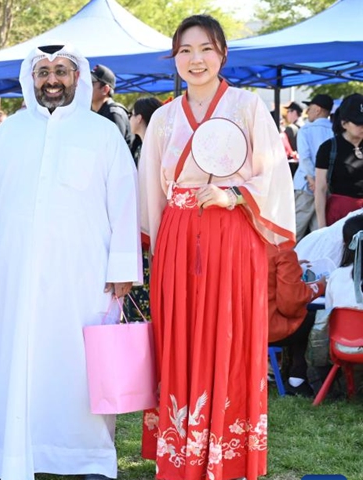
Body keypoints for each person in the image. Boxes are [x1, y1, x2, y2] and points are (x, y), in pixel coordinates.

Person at [138, 15, 295, 480]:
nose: (196, 59)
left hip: (233, 234)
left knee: (229, 333)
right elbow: (150, 190)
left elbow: (274, 175)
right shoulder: (165, 117)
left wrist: (235, 195)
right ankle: (182, 452)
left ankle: (227, 455)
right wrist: (150, 245)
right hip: (180, 236)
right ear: (175, 60)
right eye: (185, 51)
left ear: (222, 53)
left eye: (205, 49)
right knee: (180, 337)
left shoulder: (247, 106)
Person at [0, 43, 140, 480]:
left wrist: (123, 268)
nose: (52, 79)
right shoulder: (6, 135)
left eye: (61, 70)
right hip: (12, 274)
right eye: (44, 70)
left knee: (80, 366)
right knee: (16, 362)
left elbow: (125, 203)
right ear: (31, 79)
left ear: (77, 77)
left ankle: (86, 459)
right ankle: (16, 455)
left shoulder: (102, 133)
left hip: (84, 276)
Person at [267, 243, 326, 397]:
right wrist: (320, 286)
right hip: (270, 330)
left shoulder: (236, 246)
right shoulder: (282, 251)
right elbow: (291, 303)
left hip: (237, 329)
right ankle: (297, 380)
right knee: (308, 318)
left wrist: (293, 269)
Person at [127, 96, 163, 320]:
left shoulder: (151, 148)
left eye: (131, 115)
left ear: (139, 118)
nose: (130, 119)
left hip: (148, 230)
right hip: (144, 229)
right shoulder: (145, 146)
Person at [314, 93, 363, 228]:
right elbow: (320, 189)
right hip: (340, 215)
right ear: (344, 123)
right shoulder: (328, 148)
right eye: (359, 123)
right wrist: (322, 226)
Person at [293, 94, 334, 241]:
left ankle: (285, 263)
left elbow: (304, 157)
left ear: (317, 110)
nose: (307, 111)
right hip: (326, 188)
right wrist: (320, 182)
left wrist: (312, 179)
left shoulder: (306, 130)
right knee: (319, 232)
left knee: (295, 230)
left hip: (305, 186)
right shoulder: (335, 131)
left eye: (309, 108)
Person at [90, 64, 133, 149]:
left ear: (105, 89)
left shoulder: (113, 114)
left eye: (92, 83)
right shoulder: (96, 112)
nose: (87, 86)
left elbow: (114, 150)